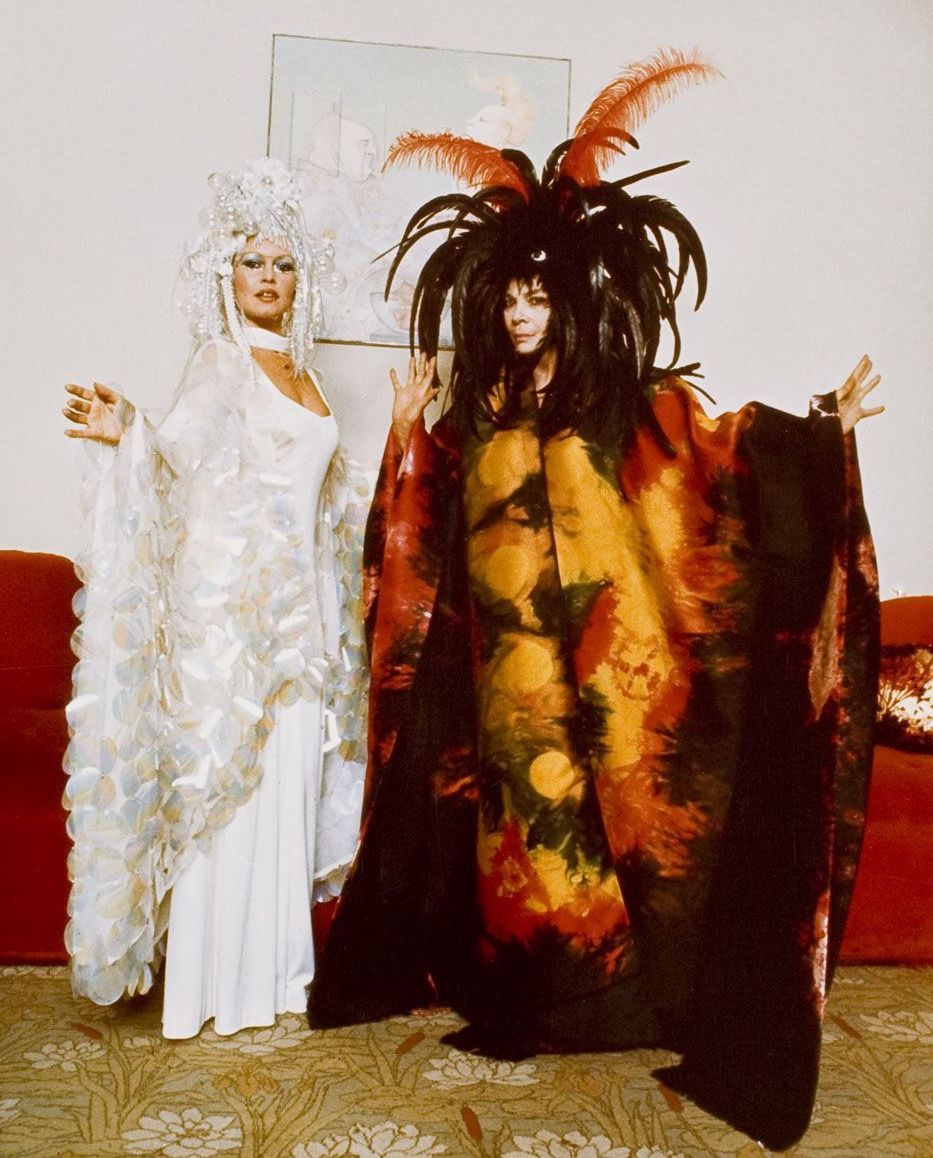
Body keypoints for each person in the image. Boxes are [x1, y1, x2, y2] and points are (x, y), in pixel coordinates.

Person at [306, 53, 882, 1150]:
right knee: (519, 854)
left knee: (597, 846)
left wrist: (821, 427)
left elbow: (719, 462)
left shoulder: (626, 411)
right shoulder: (475, 413)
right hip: (499, 695)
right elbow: (421, 548)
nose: (523, 315)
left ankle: (618, 1003)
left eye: (539, 296)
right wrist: (407, 436)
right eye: (509, 297)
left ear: (570, 299)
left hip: (605, 694)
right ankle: (533, 993)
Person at [62, 159, 368, 1039]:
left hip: (306, 629)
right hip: (234, 634)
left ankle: (275, 980)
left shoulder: (307, 380)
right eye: (251, 263)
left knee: (290, 798)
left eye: (282, 265)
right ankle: (209, 989)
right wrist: (127, 435)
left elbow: (330, 503)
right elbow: (177, 466)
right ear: (224, 274)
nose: (268, 280)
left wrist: (412, 427)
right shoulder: (220, 364)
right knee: (231, 802)